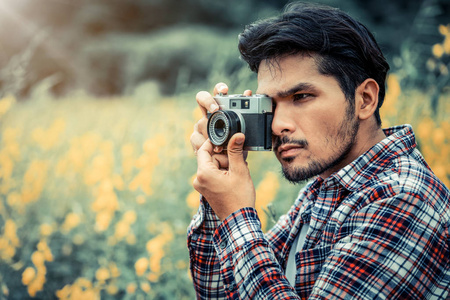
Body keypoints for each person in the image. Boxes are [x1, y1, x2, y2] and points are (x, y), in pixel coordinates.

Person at [187, 2, 450, 299]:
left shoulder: (401, 197)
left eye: (301, 96)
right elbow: (218, 294)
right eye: (270, 105)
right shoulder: (325, 187)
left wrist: (236, 215)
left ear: (364, 100)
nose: (278, 125)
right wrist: (218, 193)